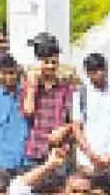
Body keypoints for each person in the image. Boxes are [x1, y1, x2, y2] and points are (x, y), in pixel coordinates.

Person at [21, 36, 74, 168]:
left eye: (54, 62)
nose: (50, 66)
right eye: (46, 62)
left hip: (59, 149)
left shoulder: (66, 88)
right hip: (36, 149)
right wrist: (33, 85)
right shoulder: (29, 86)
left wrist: (64, 129)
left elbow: (76, 119)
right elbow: (28, 111)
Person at [72, 52, 110, 174]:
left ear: (106, 69)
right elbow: (77, 128)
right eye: (93, 71)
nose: (98, 74)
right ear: (87, 72)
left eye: (100, 69)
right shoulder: (80, 95)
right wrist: (91, 156)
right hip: (88, 162)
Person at [0, 52, 31, 176]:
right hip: (2, 163)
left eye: (12, 73)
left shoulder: (27, 94)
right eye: (4, 73)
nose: (9, 77)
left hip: (27, 160)